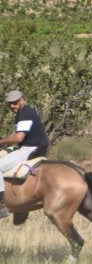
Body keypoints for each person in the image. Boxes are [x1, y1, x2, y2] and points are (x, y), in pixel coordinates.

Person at [0, 90, 50, 220]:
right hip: (31, 146)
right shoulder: (23, 112)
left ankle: (1, 205)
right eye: (10, 104)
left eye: (15, 103)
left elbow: (18, 138)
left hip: (30, 149)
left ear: (22, 99)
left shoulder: (26, 113)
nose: (12, 106)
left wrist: (2, 142)